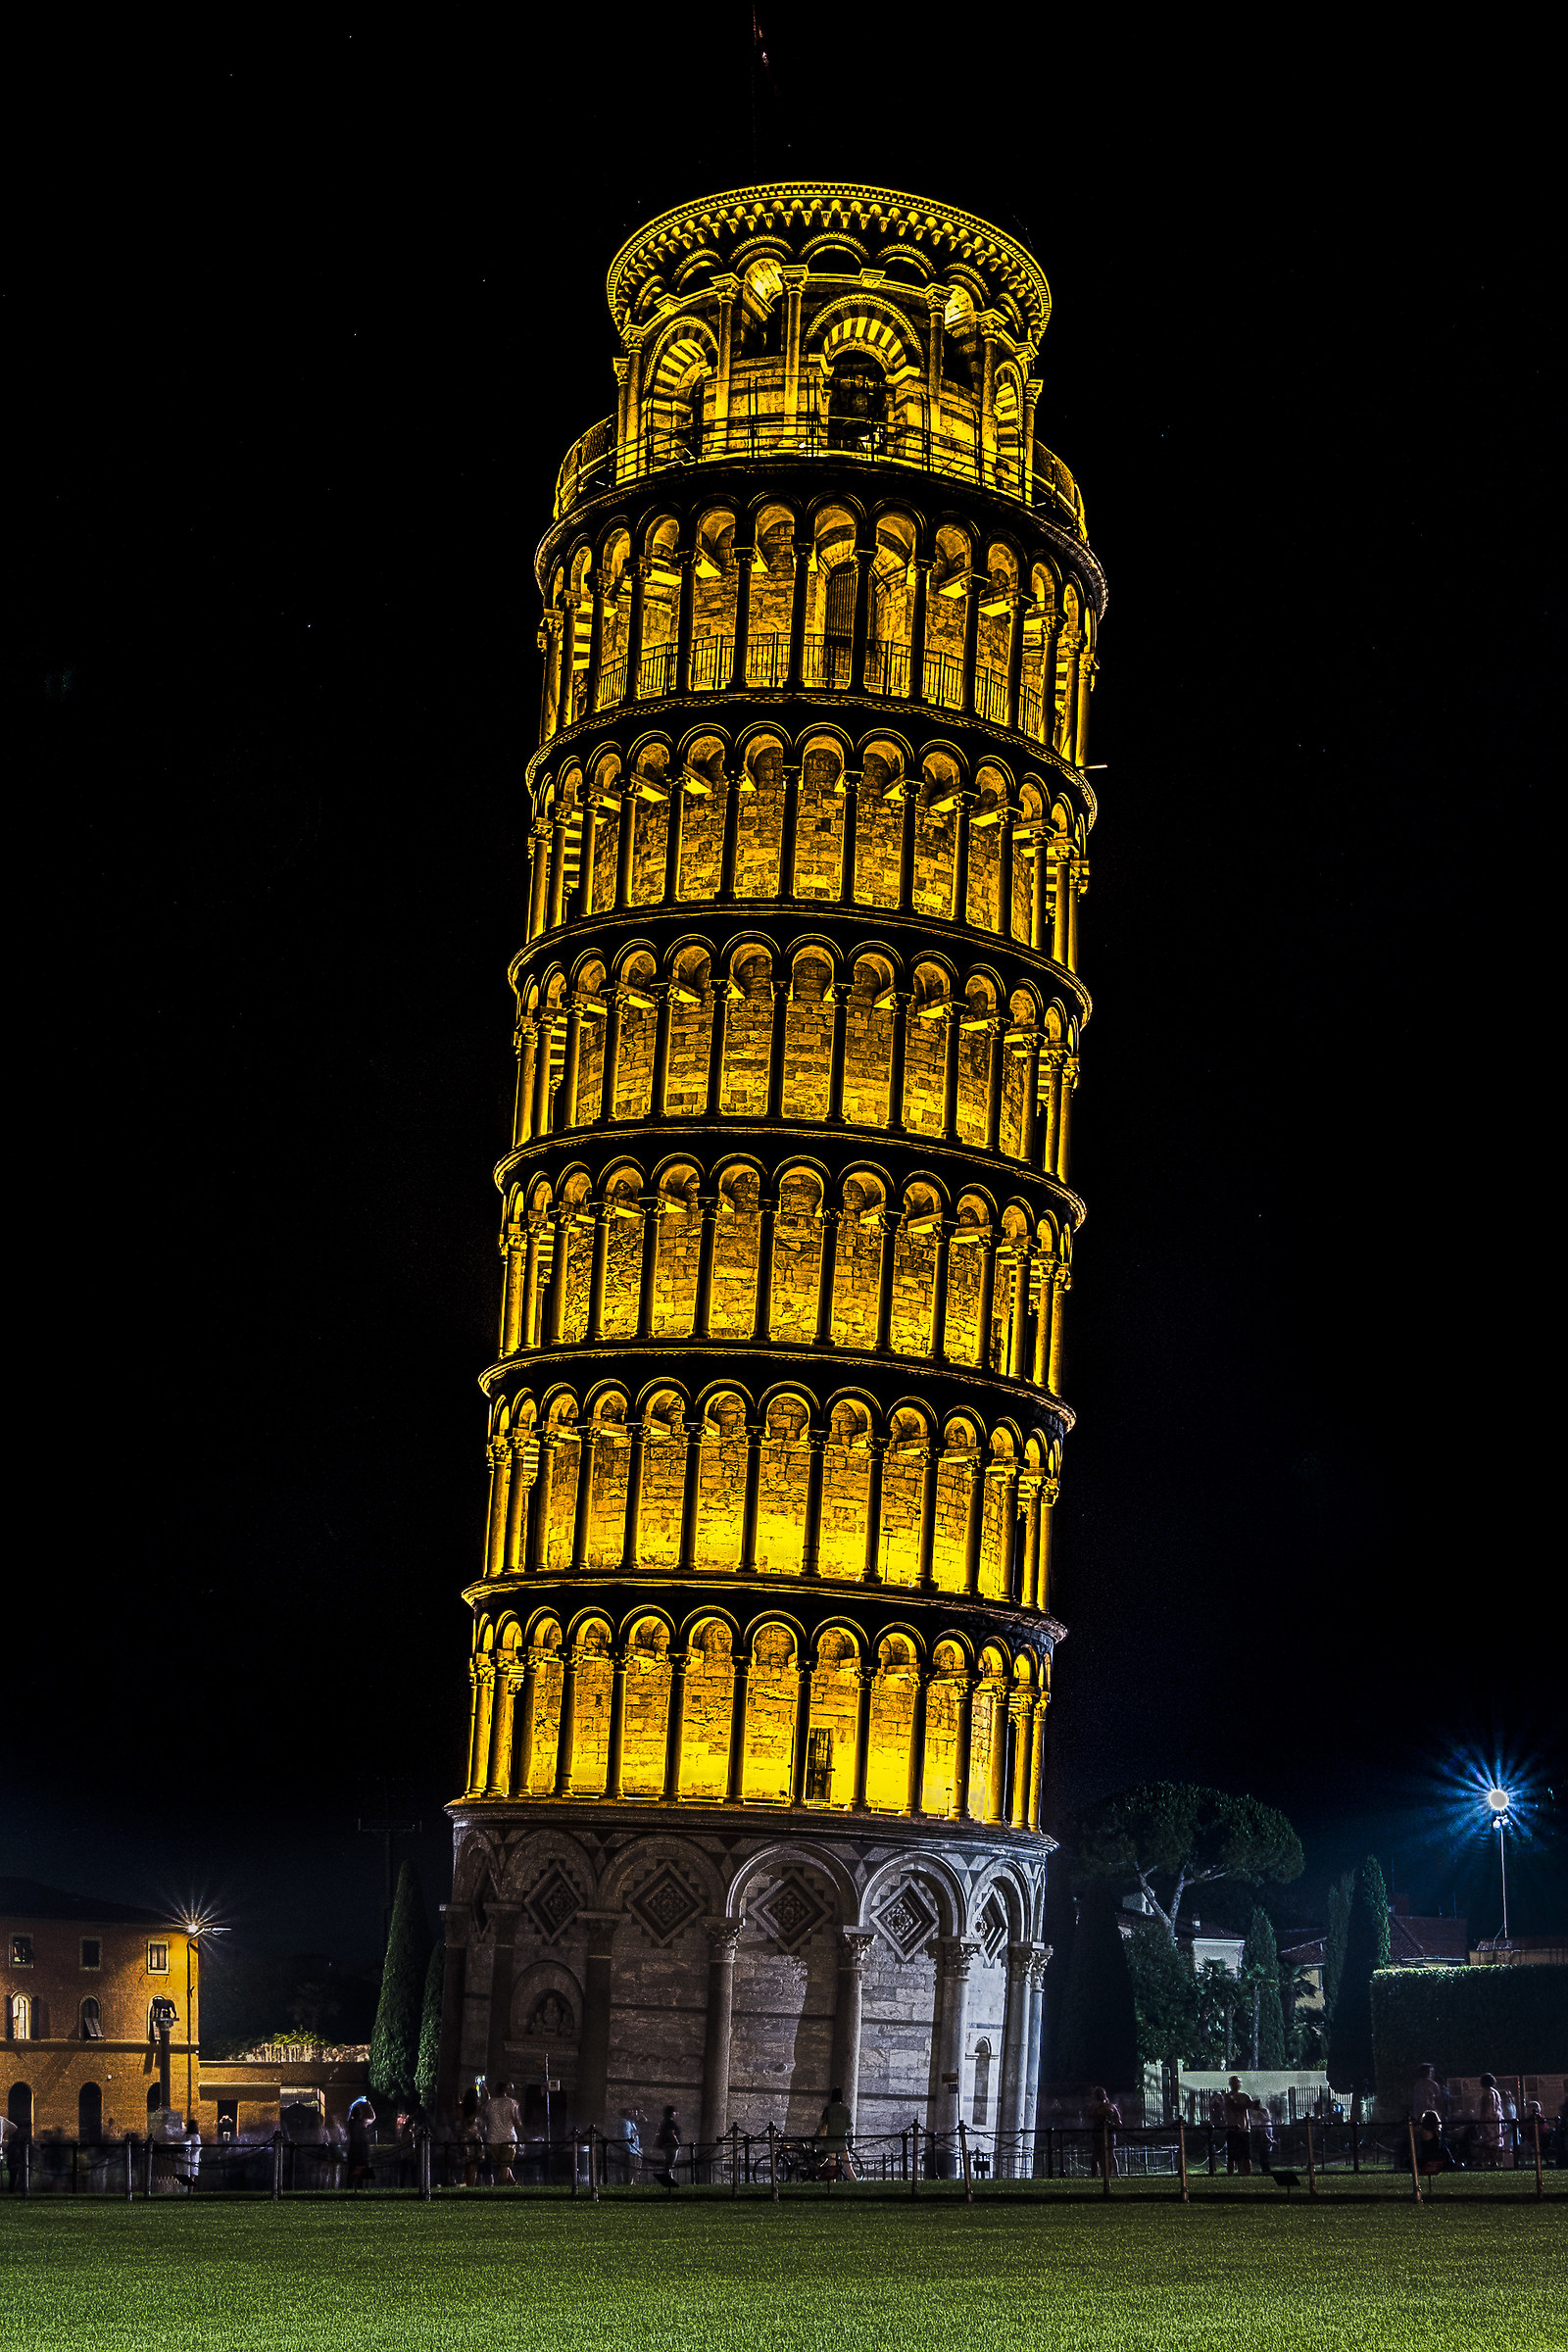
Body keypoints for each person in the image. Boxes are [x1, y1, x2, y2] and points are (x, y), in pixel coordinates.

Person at [481, 2081, 522, 2186]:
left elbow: (485, 2117)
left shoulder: (490, 2103)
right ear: (506, 2090)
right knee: (505, 2165)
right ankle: (501, 2187)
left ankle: (513, 2182)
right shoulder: (512, 2103)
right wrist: (523, 2130)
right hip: (509, 2138)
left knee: (503, 2165)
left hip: (493, 2138)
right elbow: (516, 2120)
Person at [818, 2088, 858, 2181]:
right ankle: (854, 2180)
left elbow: (822, 2124)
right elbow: (849, 2126)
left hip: (830, 2142)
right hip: (841, 2142)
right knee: (848, 2165)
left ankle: (831, 2185)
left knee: (832, 2165)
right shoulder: (846, 2110)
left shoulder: (828, 2109)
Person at [1086, 2086, 1121, 2180]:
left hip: (1099, 2135)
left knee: (1096, 2157)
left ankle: (1095, 2177)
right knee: (1109, 2156)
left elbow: (1090, 2118)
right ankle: (1108, 2177)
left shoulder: (1095, 2108)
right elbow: (1119, 2122)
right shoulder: (1112, 2107)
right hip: (1110, 2134)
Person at [1416, 2108, 1454, 2190]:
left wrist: (1421, 2115)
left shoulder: (1424, 2131)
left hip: (1427, 2157)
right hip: (1436, 2156)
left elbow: (1415, 2127)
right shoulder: (1437, 2131)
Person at [1474, 2073, 1506, 2171]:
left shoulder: (1486, 2093)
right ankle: (1493, 2161)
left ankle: (1480, 2161)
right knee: (1495, 2141)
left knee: (1484, 2140)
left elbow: (1484, 2108)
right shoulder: (1495, 2092)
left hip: (1488, 2119)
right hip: (1496, 2119)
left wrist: (1481, 2121)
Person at [1221, 2078, 1252, 2176]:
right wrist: (1247, 2105)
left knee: (1246, 2155)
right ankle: (1231, 2174)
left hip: (1244, 2129)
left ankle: (1247, 2174)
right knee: (1231, 2155)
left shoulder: (1245, 2096)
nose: (1236, 2084)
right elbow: (1234, 2106)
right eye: (1234, 2082)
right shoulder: (1227, 2096)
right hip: (1232, 2128)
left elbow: (1253, 2106)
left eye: (1237, 2082)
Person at [346, 2093, 376, 2188]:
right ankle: (359, 2186)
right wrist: (369, 2105)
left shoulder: (351, 2123)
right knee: (362, 2166)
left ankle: (350, 2186)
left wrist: (353, 2105)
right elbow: (373, 2117)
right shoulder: (363, 2122)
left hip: (353, 2147)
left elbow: (348, 2116)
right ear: (360, 2114)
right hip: (362, 2148)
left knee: (352, 2167)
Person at [654, 2106, 681, 2189]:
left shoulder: (664, 2122)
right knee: (669, 2164)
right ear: (671, 2113)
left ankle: (669, 2181)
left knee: (668, 2164)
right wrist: (677, 2143)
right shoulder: (670, 2122)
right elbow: (671, 2133)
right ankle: (669, 2181)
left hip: (667, 2146)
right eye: (675, 2112)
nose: (677, 2114)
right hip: (671, 2146)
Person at [616, 2110, 642, 2186]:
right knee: (628, 2168)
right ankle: (627, 2183)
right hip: (628, 2149)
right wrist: (630, 2149)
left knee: (631, 2168)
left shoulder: (631, 2123)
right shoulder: (625, 2123)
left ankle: (630, 2182)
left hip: (631, 2148)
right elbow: (626, 2136)